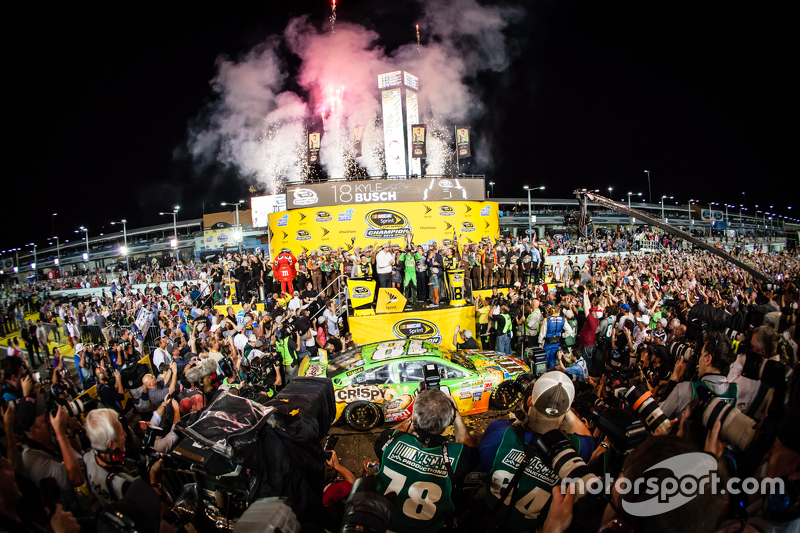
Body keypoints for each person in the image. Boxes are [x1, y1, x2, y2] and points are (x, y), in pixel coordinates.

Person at [479, 372, 582, 533]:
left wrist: (527, 413)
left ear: (529, 401)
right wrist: (561, 407)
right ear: (568, 408)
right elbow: (585, 436)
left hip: (494, 523)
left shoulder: (499, 433)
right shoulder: (575, 450)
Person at [373, 389, 479, 533]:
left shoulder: (390, 440)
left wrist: (414, 417)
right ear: (448, 421)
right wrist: (457, 416)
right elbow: (470, 450)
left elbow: (388, 434)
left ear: (414, 417)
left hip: (384, 525)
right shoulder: (456, 455)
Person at [84, 408, 163, 507]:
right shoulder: (123, 486)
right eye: (121, 433)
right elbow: (158, 512)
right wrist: (154, 481)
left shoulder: (87, 457)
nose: (125, 435)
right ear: (111, 445)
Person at [659, 332, 736, 419]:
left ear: (708, 359)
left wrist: (674, 378)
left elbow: (659, 418)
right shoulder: (736, 392)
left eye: (702, 355)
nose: (699, 360)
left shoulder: (686, 390)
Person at [17, 396, 84, 490]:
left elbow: (79, 455)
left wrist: (70, 434)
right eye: (45, 419)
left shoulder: (48, 438)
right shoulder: (33, 459)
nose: (50, 421)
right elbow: (76, 479)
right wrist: (61, 435)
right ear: (33, 430)